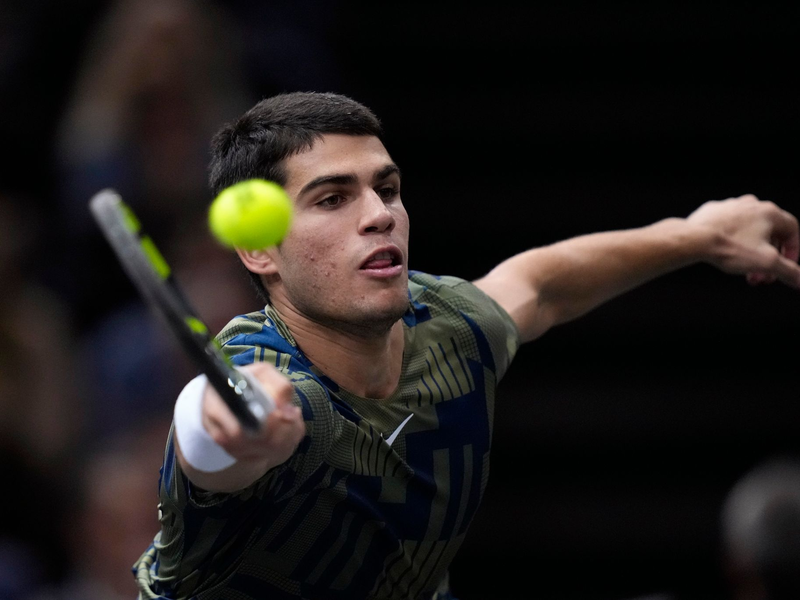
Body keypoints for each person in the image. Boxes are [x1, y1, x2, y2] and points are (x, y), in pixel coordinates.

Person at [134, 92, 800, 600]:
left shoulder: (443, 326)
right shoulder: (263, 378)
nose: (379, 213)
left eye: (386, 188)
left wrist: (700, 233)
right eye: (333, 198)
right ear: (258, 248)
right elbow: (209, 426)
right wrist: (231, 422)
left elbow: (539, 286)